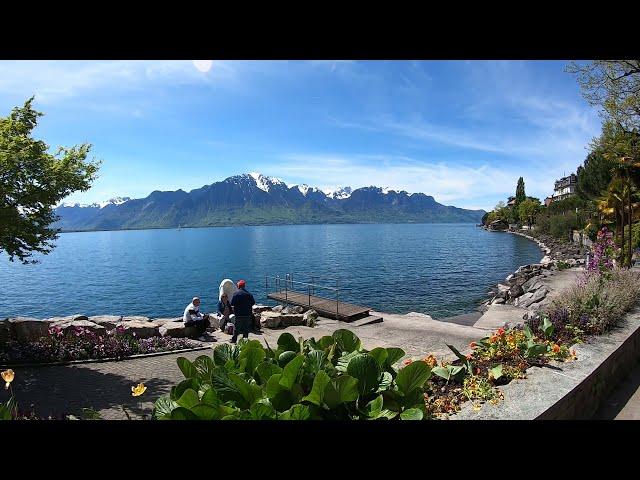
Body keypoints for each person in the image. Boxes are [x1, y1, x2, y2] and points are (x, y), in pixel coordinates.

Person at [229, 279, 255, 343]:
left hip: (239, 314)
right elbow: (253, 302)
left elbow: (232, 303)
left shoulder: (236, 294)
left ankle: (234, 340)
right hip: (247, 314)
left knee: (236, 328)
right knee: (246, 329)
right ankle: (245, 341)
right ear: (244, 286)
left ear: (238, 286)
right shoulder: (249, 294)